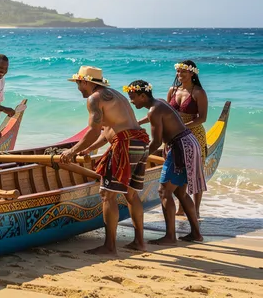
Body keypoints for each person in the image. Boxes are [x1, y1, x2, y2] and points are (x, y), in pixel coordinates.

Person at [60, 66, 150, 255]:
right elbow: (109, 130)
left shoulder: (95, 98)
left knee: (107, 195)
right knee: (131, 195)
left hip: (124, 145)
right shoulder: (115, 95)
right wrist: (87, 149)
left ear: (85, 81)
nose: (78, 88)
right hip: (140, 142)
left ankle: (109, 246)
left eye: (78, 84)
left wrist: (72, 151)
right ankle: (139, 242)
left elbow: (94, 130)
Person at [124, 80, 205, 244]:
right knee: (180, 192)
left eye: (133, 98)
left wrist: (141, 158)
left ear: (142, 95)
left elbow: (156, 142)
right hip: (189, 142)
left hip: (180, 147)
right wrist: (136, 124)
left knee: (164, 191)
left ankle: (170, 236)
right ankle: (196, 234)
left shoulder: (154, 110)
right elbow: (155, 118)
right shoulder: (159, 102)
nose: (131, 102)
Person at [168, 60, 208, 217]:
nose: (179, 74)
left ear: (192, 73)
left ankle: (196, 210)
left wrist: (183, 128)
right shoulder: (173, 90)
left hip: (194, 134)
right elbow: (167, 113)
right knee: (179, 169)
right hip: (174, 135)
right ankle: (181, 208)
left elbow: (202, 118)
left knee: (196, 171)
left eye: (183, 71)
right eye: (178, 72)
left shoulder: (199, 92)